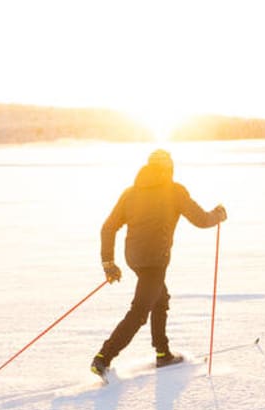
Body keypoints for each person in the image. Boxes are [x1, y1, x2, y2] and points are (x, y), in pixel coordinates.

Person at [92, 148, 226, 379]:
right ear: (169, 168)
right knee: (139, 312)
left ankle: (163, 352)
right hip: (154, 262)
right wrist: (218, 214)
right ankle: (103, 357)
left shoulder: (130, 193)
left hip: (134, 259)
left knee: (160, 298)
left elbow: (108, 228)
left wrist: (108, 263)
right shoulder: (174, 191)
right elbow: (202, 220)